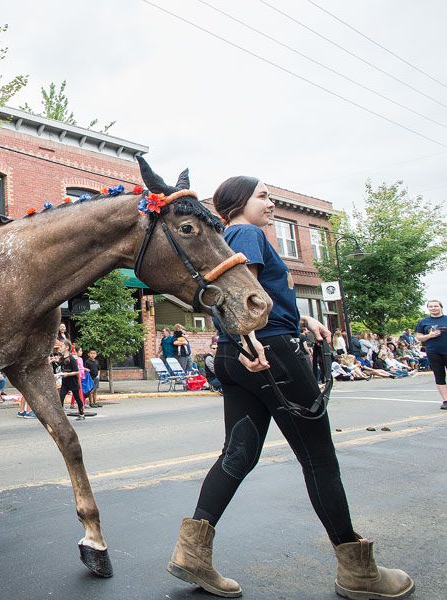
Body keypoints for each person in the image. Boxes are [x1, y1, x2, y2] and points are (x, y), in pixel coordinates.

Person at [166, 176, 413, 599]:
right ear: (239, 202)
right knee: (319, 458)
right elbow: (241, 298)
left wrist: (303, 319)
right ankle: (358, 572)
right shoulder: (247, 232)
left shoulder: (233, 234)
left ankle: (193, 554)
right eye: (263, 195)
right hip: (269, 354)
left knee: (238, 454)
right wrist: (254, 342)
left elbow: (261, 296)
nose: (271, 202)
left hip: (241, 354)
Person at [415, 299, 447, 410]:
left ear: (440, 307)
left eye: (436, 306)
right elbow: (418, 337)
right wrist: (430, 335)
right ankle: (445, 400)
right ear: (428, 308)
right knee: (439, 376)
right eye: (431, 306)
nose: (433, 308)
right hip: (433, 351)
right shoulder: (423, 322)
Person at [58, 342, 85, 420]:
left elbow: (77, 371)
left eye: (62, 346)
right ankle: (61, 416)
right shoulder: (62, 358)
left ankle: (81, 414)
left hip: (73, 382)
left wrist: (67, 374)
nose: (60, 348)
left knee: (77, 399)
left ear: (67, 347)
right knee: (61, 397)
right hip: (65, 382)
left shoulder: (72, 359)